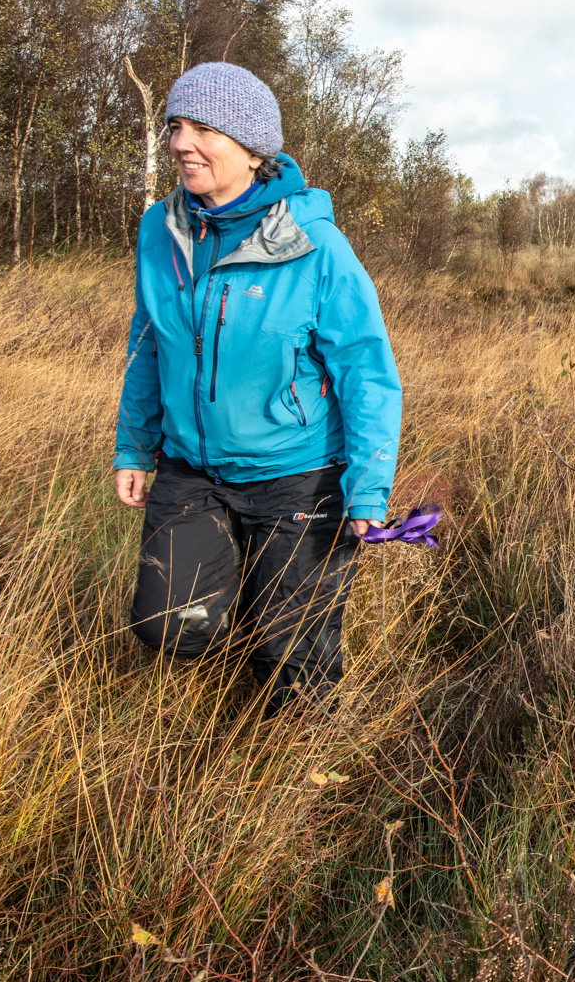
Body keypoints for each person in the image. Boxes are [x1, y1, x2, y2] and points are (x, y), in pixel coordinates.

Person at [113, 61, 402, 718]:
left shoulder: (316, 247)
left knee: (296, 661)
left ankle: (297, 769)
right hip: (192, 469)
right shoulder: (159, 231)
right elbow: (149, 340)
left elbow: (367, 371)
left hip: (297, 476)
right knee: (170, 627)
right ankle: (241, 610)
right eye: (176, 126)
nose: (182, 142)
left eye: (203, 127)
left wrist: (370, 485)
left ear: (252, 148)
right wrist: (134, 446)